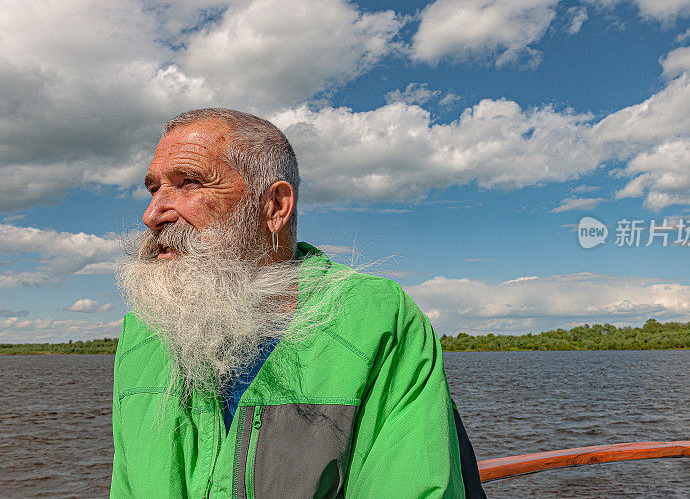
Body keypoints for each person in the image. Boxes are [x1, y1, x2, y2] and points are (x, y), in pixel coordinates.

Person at [111, 108, 485, 498]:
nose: (151, 215)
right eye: (153, 188)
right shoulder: (142, 331)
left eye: (188, 183)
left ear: (275, 206)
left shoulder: (377, 320)